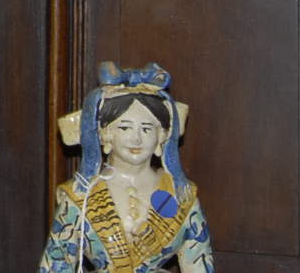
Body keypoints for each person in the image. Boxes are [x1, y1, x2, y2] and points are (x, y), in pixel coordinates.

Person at [38, 63, 212, 273]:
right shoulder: (80, 196)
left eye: (146, 129)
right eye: (125, 127)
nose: (136, 138)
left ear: (162, 136)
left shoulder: (182, 195)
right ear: (105, 134)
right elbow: (56, 265)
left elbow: (198, 264)